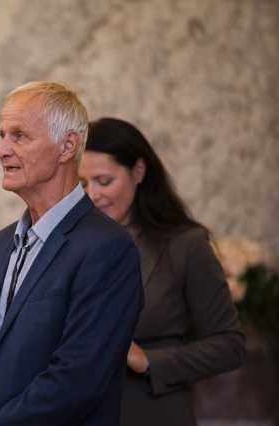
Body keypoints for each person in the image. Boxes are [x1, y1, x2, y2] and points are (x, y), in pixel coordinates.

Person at [0, 82, 143, 426]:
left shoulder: (108, 248)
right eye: (2, 135)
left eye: (19, 136)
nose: (1, 151)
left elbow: (77, 380)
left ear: (67, 146)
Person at [78, 117, 246, 426]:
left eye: (104, 181)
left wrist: (147, 360)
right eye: (82, 184)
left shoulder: (186, 244)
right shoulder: (70, 243)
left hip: (153, 414)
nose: (92, 195)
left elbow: (229, 346)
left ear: (139, 171)